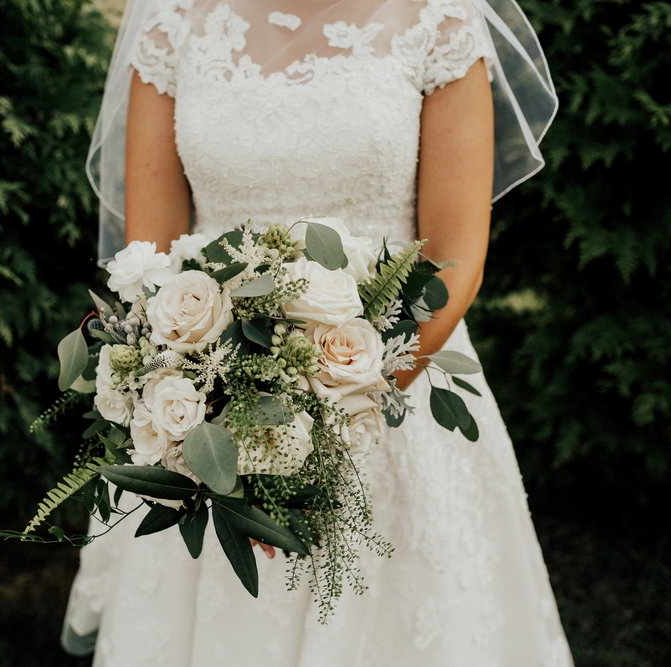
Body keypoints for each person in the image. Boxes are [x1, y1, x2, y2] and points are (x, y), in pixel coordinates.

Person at [62, 0, 572, 664]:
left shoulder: (439, 20)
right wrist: (208, 417)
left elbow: (454, 259)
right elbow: (147, 262)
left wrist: (335, 412)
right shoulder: (172, 22)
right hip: (211, 412)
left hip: (392, 392)